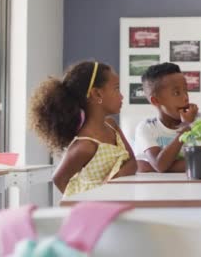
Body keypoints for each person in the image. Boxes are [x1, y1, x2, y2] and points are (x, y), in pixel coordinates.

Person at [29, 61, 137, 196]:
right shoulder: (85, 146)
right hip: (96, 209)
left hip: (117, 201)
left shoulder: (111, 125)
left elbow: (132, 161)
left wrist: (112, 183)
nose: (121, 96)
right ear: (97, 94)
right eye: (116, 88)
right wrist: (84, 200)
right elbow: (59, 179)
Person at [134, 62, 200, 172]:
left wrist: (155, 167)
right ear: (156, 101)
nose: (185, 98)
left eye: (186, 90)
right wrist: (186, 127)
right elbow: (160, 165)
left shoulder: (198, 120)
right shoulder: (147, 128)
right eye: (176, 93)